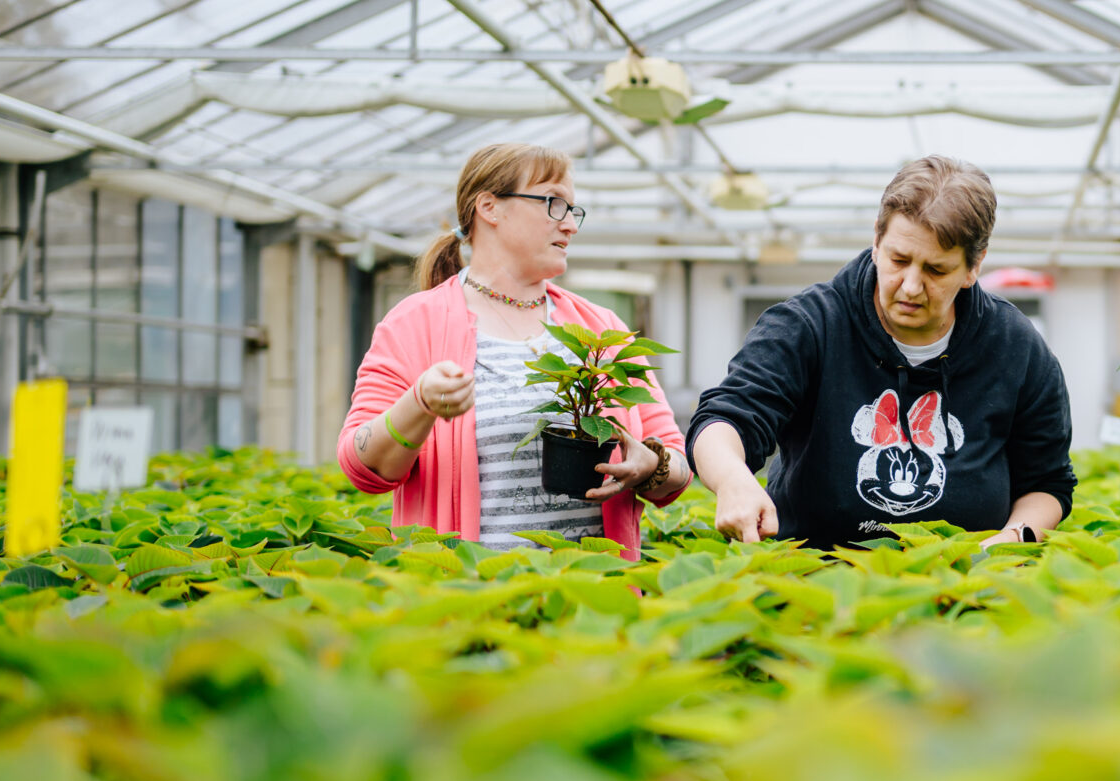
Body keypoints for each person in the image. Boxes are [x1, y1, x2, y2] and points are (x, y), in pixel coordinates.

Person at [688, 157, 1075, 551]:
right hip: (815, 584)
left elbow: (1047, 482)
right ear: (876, 242)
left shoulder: (1014, 346)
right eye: (899, 260)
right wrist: (733, 479)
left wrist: (1008, 543)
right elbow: (724, 419)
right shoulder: (809, 325)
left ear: (973, 266)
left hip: (964, 587)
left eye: (936, 271)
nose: (909, 286)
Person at [339, 143, 691, 558]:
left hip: (596, 600)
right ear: (489, 207)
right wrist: (419, 404)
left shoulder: (601, 329)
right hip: (468, 597)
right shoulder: (413, 324)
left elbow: (677, 463)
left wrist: (653, 466)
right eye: (554, 203)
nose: (570, 226)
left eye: (572, 210)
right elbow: (361, 466)